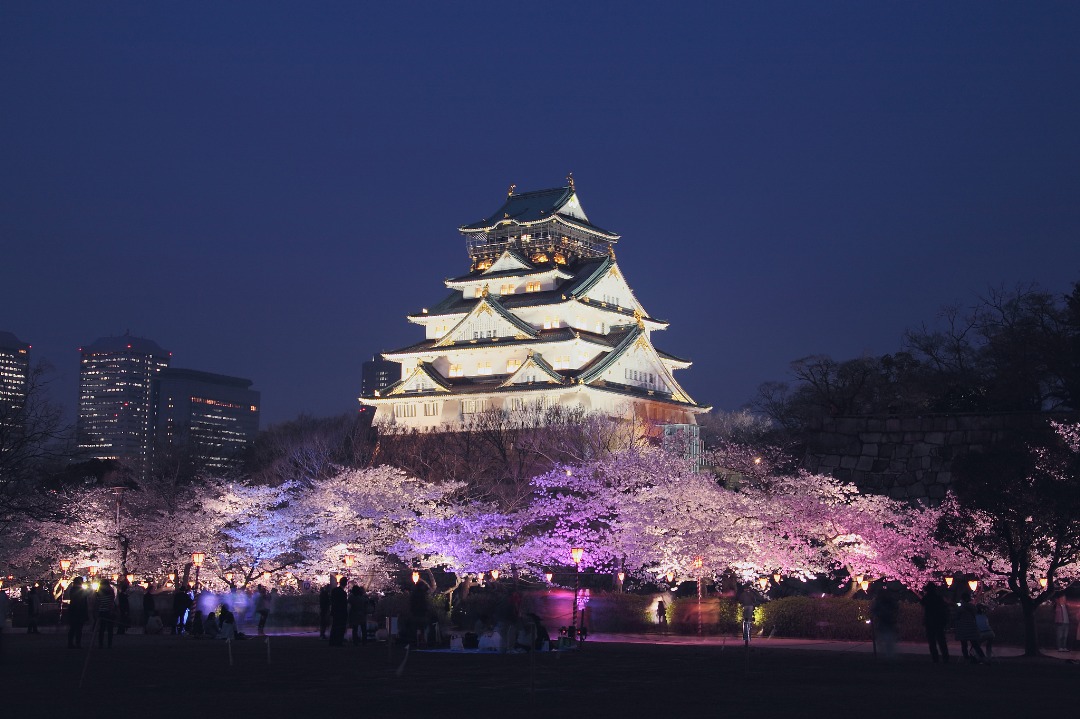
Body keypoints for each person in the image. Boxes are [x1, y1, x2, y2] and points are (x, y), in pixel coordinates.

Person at [920, 583, 950, 663]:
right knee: (941, 640)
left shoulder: (926, 598)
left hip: (929, 621)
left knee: (932, 641)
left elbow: (923, 607)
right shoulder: (939, 598)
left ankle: (935, 658)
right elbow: (944, 608)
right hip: (939, 621)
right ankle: (945, 657)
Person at [870, 585, 899, 660]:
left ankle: (888, 655)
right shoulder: (884, 602)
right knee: (885, 639)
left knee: (886, 639)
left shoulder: (882, 602)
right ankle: (888, 655)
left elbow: (874, 611)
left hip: (886, 622)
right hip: (885, 622)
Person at [954, 592, 985, 663]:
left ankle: (966, 658)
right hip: (971, 627)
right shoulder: (973, 607)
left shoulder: (960, 608)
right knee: (975, 644)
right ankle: (982, 657)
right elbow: (976, 614)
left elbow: (957, 617)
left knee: (964, 644)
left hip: (962, 627)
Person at [66, 577, 90, 648]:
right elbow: (84, 600)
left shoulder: (72, 590)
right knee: (78, 628)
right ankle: (77, 643)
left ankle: (71, 643)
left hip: (73, 610)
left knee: (73, 628)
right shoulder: (81, 591)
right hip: (79, 611)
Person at [95, 578, 117, 648]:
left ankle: (101, 643)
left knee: (102, 628)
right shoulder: (111, 591)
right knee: (110, 629)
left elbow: (97, 602)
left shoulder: (99, 592)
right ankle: (109, 644)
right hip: (109, 611)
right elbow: (112, 601)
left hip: (102, 611)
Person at [328, 577, 348, 647]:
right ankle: (339, 641)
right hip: (341, 612)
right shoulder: (343, 593)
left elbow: (331, 601)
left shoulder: (334, 591)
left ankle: (332, 641)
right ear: (345, 584)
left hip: (335, 611)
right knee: (340, 627)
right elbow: (344, 604)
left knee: (334, 626)